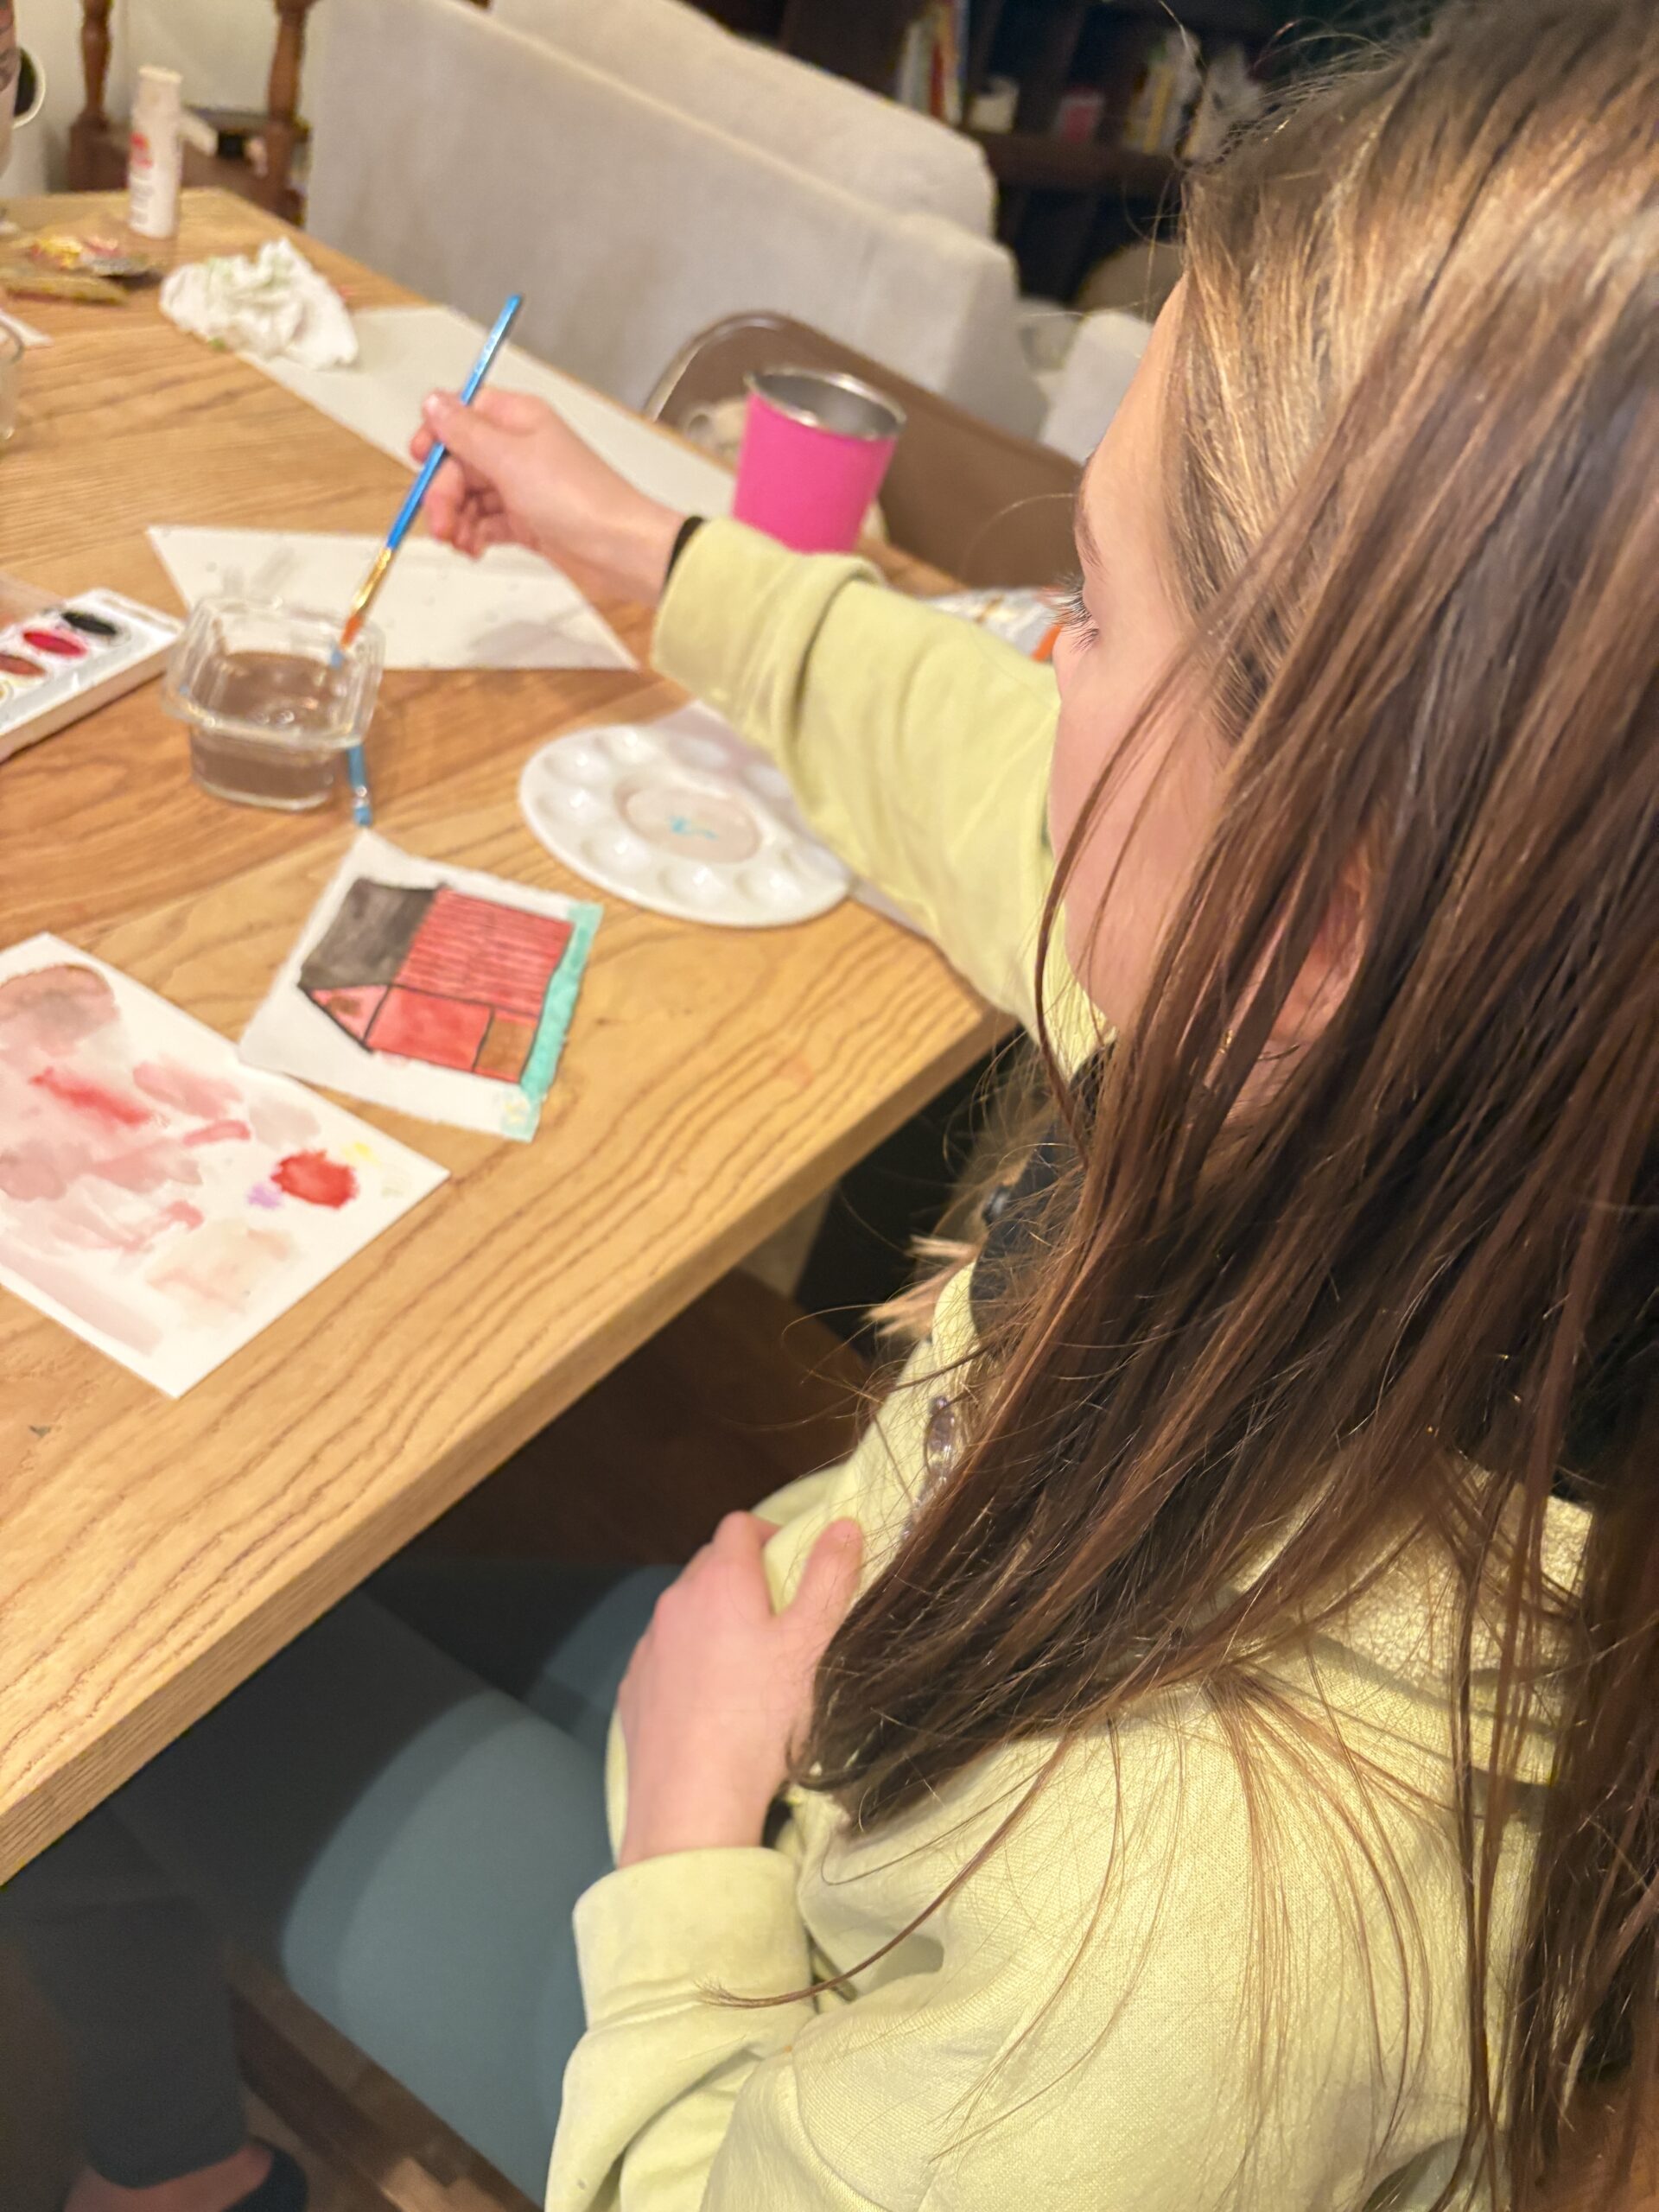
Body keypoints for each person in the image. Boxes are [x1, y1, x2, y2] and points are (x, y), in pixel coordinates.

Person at [3, 0, 1655, 2205]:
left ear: (1313, 910)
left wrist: (690, 1860)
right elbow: (965, 758)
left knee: (84, 1726)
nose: (1032, 664)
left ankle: (183, 2175)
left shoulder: (1208, 1930)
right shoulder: (1401, 1047)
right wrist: (647, 552)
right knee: (255, 1629)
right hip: (834, 1700)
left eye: (1085, 608)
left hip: (783, 1981)